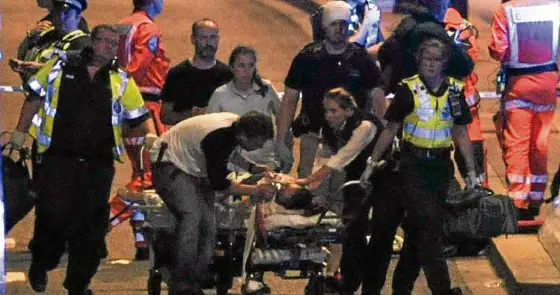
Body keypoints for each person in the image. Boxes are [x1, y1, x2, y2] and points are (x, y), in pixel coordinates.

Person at [8, 24, 157, 295]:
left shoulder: (120, 78)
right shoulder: (60, 67)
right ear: (92, 42)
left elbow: (140, 115)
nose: (111, 48)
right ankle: (42, 263)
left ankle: (78, 285)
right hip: (57, 158)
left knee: (90, 228)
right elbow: (33, 98)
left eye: (115, 44)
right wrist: (19, 133)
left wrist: (150, 137)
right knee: (53, 217)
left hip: (97, 163)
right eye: (106, 42)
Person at [367, 34, 477, 295]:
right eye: (427, 59)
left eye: (436, 60)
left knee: (419, 234)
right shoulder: (409, 89)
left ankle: (402, 288)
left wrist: (472, 172)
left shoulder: (453, 91)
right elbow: (390, 128)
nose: (431, 64)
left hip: (440, 168)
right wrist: (372, 161)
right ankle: (443, 290)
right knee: (430, 231)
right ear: (419, 61)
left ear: (444, 63)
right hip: (412, 167)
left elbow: (461, 133)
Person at [149, 111, 277, 295]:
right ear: (243, 136)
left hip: (190, 165)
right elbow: (219, 184)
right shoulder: (217, 137)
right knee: (191, 216)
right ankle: (181, 283)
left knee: (209, 225)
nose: (261, 146)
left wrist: (252, 168)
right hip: (169, 163)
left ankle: (196, 279)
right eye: (258, 142)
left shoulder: (234, 128)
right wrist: (255, 190)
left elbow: (227, 154)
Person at [295, 88, 403, 295]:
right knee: (352, 232)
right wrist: (310, 184)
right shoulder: (329, 127)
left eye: (334, 111)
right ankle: (349, 283)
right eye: (326, 111)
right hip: (357, 178)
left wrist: (309, 179)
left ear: (348, 109)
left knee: (381, 236)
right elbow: (325, 156)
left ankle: (372, 288)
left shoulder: (365, 125)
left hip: (385, 178)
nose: (328, 116)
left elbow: (343, 156)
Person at [276, 0, 386, 177]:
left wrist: (384, 134)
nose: (339, 29)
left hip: (351, 139)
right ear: (324, 27)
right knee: (309, 189)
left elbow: (377, 97)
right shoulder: (307, 58)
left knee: (343, 193)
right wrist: (281, 140)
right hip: (314, 136)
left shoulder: (361, 59)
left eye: (344, 23)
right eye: (334, 23)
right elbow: (289, 100)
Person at [108, 0, 170, 260]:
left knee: (141, 172)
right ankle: (98, 223)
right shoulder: (147, 28)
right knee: (149, 177)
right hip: (143, 106)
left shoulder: (122, 24)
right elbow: (137, 67)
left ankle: (142, 240)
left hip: (125, 106)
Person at [489, 0, 560, 219]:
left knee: (517, 142)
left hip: (518, 84)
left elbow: (498, 50)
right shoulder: (555, 6)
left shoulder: (507, 9)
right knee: (539, 143)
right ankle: (536, 197)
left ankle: (518, 200)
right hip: (548, 82)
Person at [378, 1, 474, 95]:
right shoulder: (439, 31)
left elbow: (384, 52)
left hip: (407, 95)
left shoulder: (406, 26)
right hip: (438, 99)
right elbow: (466, 66)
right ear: (442, 6)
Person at [207, 45, 280, 170]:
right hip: (234, 166)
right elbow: (210, 132)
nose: (246, 71)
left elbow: (283, 119)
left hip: (267, 162)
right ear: (231, 67)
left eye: (251, 65)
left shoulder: (267, 89)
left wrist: (284, 149)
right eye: (241, 65)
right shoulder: (220, 95)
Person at [444, 7, 487, 188]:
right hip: (464, 106)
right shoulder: (463, 27)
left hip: (440, 108)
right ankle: (481, 199)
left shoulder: (418, 27)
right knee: (474, 166)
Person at [161, 18, 233, 125]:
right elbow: (165, 116)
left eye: (212, 37)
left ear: (218, 39)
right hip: (186, 138)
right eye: (203, 37)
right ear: (193, 39)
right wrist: (193, 115)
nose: (208, 42)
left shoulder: (228, 75)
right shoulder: (177, 74)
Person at [10, 0, 90, 82]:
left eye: (66, 14)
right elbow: (26, 55)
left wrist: (39, 68)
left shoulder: (79, 36)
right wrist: (30, 35)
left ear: (77, 17)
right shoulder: (47, 28)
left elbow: (76, 73)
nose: (61, 17)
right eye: (57, 12)